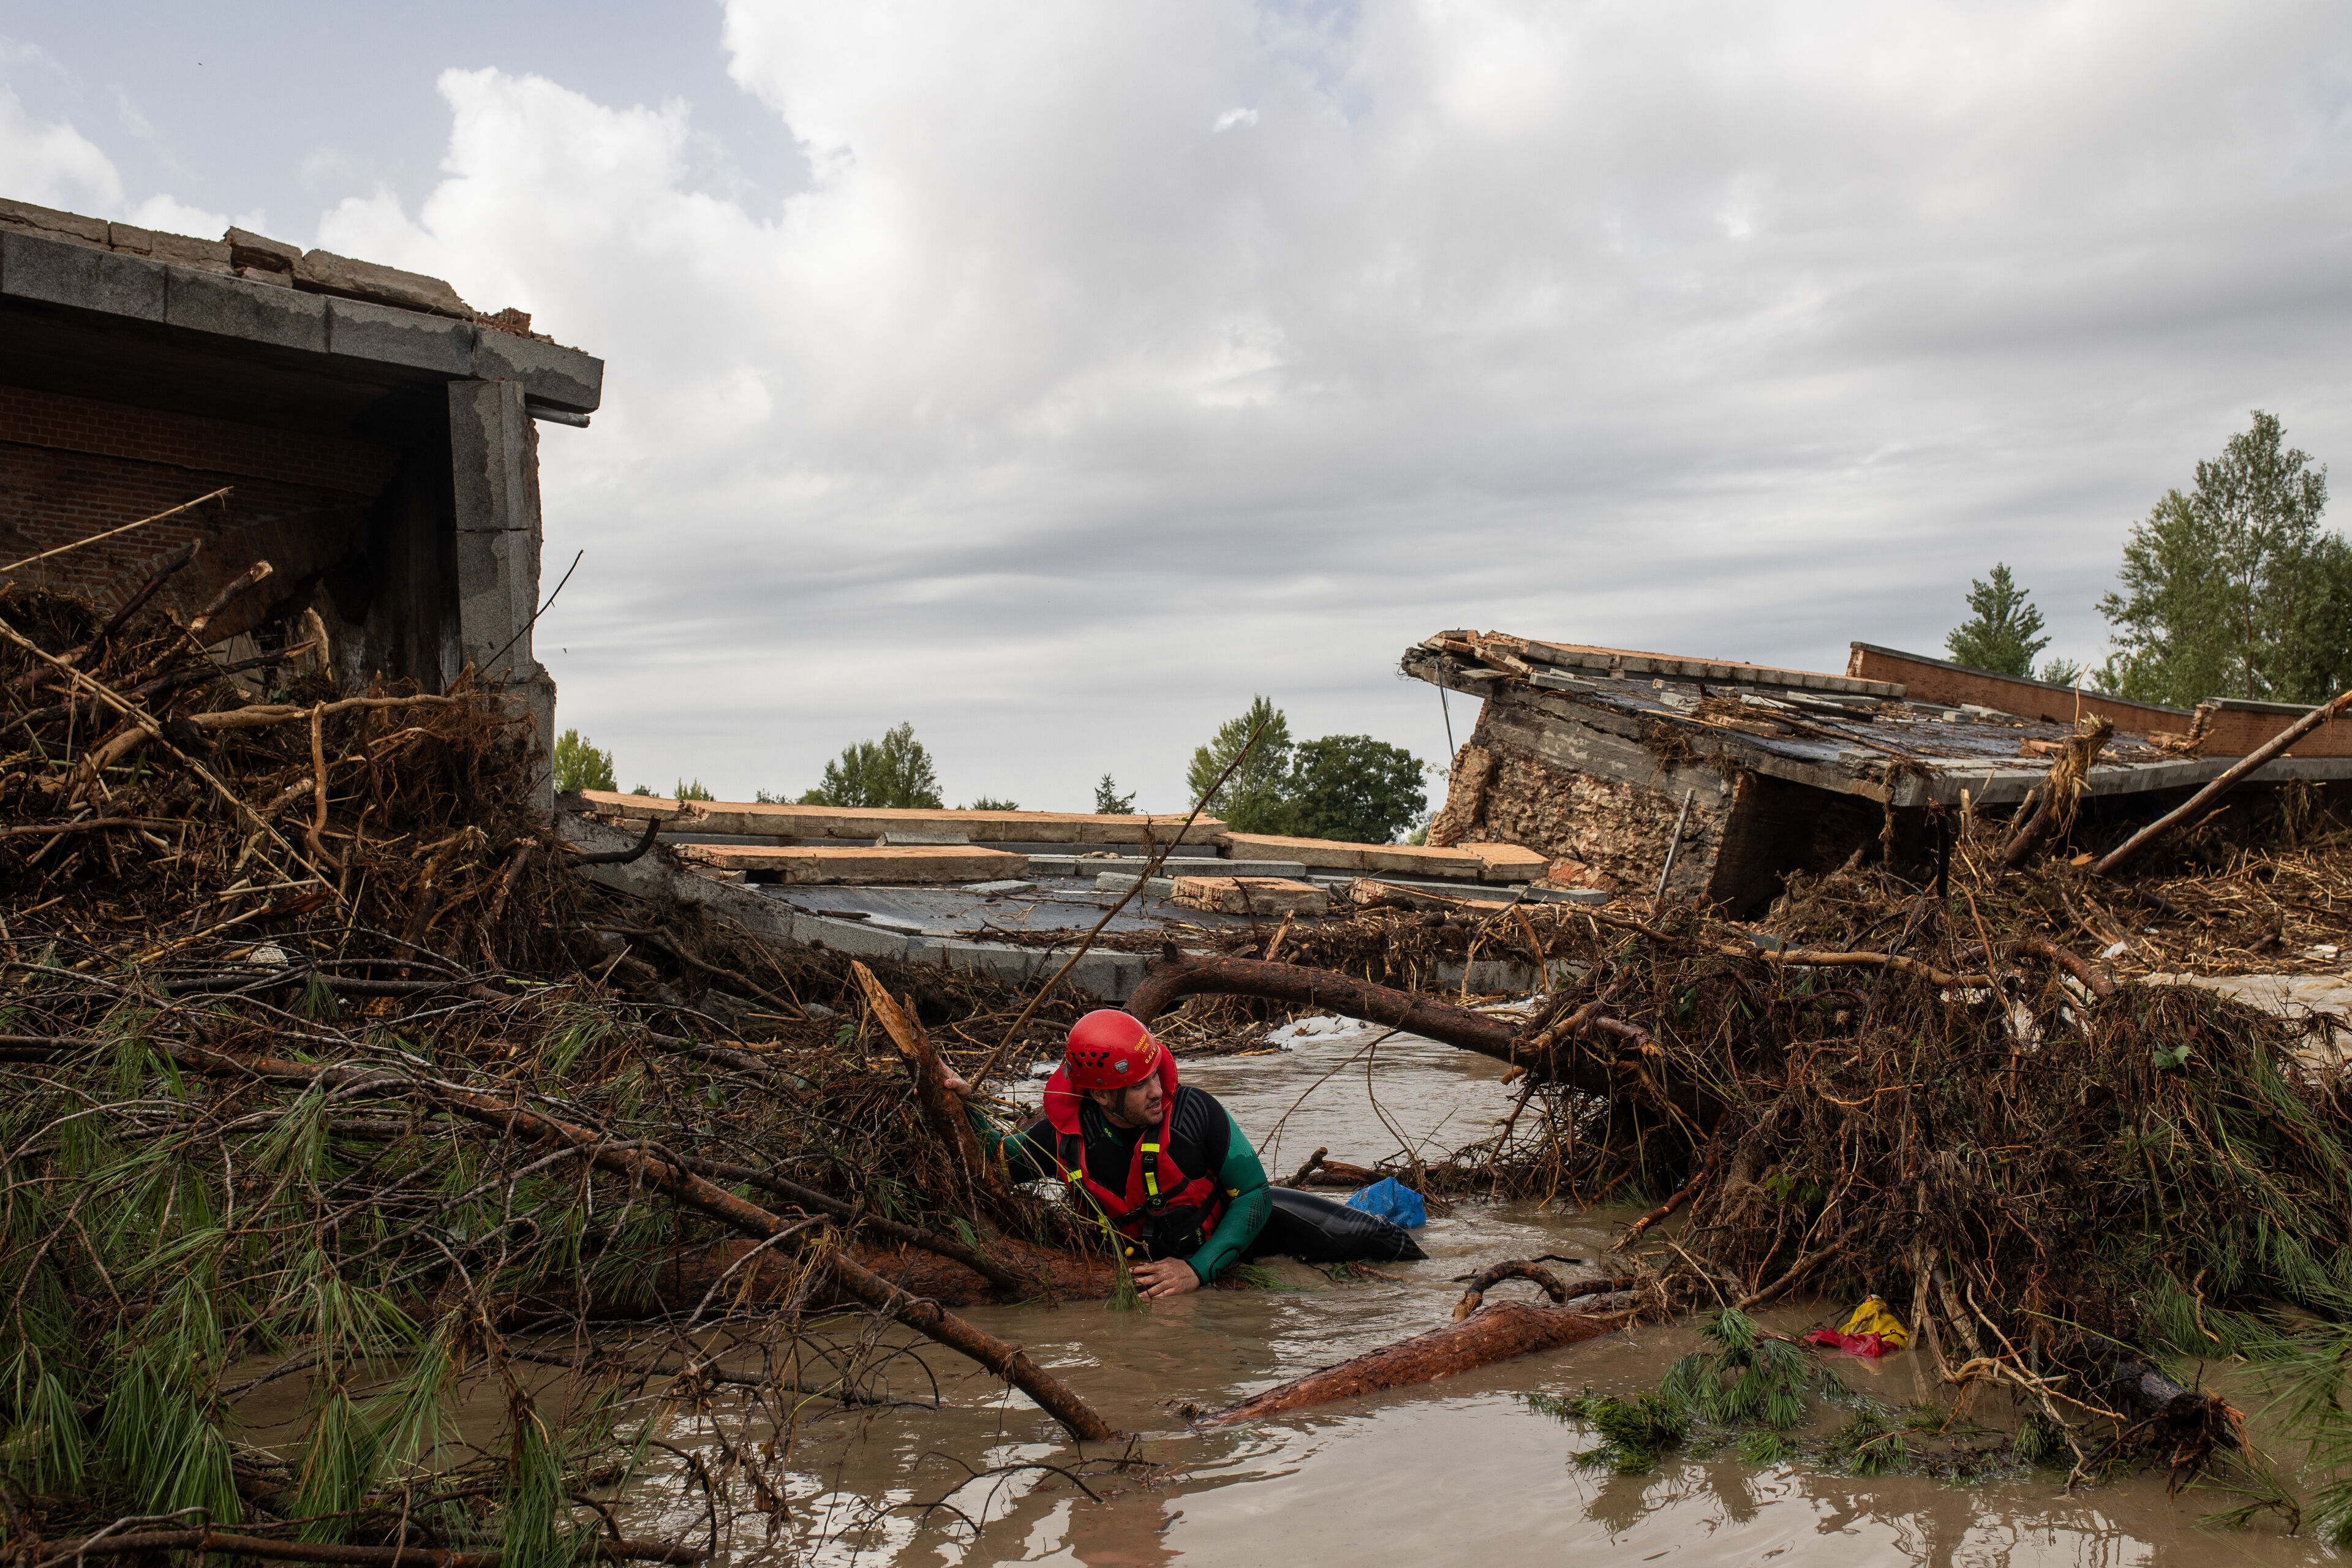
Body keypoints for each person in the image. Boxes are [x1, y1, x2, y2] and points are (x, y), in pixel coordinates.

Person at [942, 1009, 1272, 1298]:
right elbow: (995, 1159)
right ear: (1100, 1095)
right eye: (1139, 1085)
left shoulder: (1196, 1113)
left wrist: (1197, 1271)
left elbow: (1255, 1194)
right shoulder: (1064, 1138)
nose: (1157, 1091)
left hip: (1216, 1268)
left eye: (1155, 1073)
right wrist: (965, 1103)